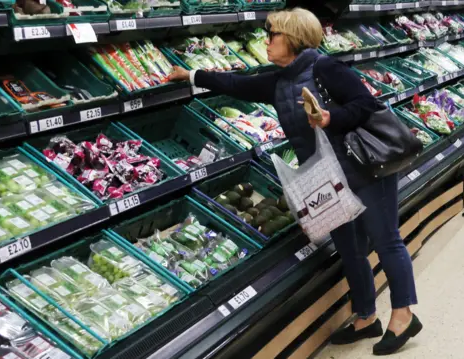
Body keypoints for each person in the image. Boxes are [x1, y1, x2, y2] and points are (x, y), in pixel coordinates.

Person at [169, 7, 422, 356]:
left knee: (385, 240)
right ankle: (366, 316)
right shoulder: (278, 81)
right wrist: (192, 74)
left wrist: (332, 117)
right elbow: (236, 84)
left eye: (272, 35)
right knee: (350, 250)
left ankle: (404, 314)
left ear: (293, 39)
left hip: (364, 169)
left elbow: (366, 103)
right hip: (327, 180)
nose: (267, 41)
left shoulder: (325, 68)